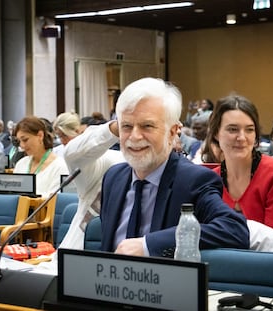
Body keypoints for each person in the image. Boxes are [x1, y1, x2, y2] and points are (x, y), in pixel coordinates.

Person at [99, 77, 249, 257]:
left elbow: (235, 230)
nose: (135, 136)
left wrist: (149, 244)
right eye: (127, 126)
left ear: (173, 131)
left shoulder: (193, 180)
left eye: (147, 126)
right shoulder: (113, 178)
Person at [206, 93, 273, 231]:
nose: (242, 137)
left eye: (249, 130)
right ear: (216, 133)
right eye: (233, 129)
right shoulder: (210, 180)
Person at [58, 120, 126, 251]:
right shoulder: (111, 160)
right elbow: (72, 155)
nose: (138, 135)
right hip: (76, 256)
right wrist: (113, 129)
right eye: (129, 126)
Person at [13, 116, 69, 197]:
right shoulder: (21, 164)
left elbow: (54, 199)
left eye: (25, 140)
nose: (22, 146)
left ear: (40, 135)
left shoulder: (60, 166)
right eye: (19, 141)